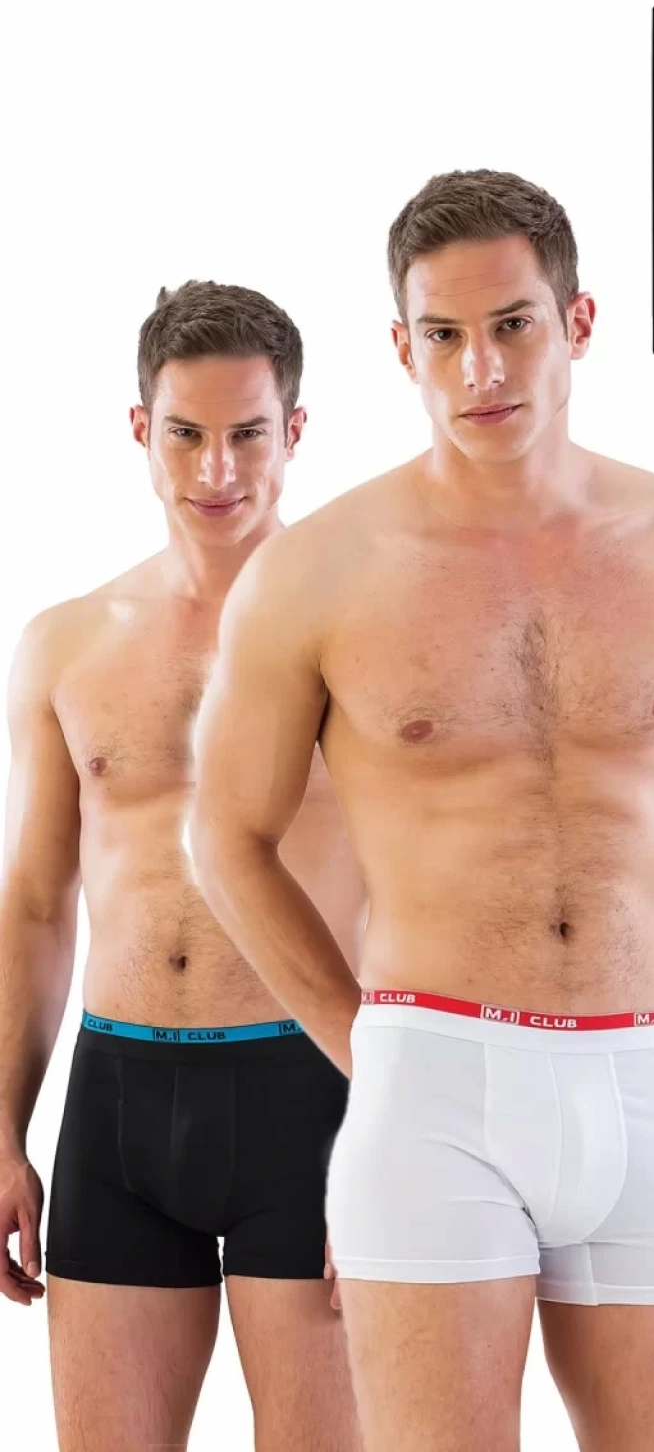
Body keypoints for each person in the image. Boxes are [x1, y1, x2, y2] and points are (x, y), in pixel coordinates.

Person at [190, 169, 654, 1452]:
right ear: (402, 348)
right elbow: (225, 834)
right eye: (443, 336)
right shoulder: (315, 573)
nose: (480, 369)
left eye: (512, 324)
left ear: (578, 322)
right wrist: (372, 1046)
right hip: (432, 1085)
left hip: (644, 1078)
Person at [0, 282, 365, 1451]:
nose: (217, 469)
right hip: (116, 1099)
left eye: (248, 433)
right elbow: (36, 901)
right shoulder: (66, 642)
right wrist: (2, 1130)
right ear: (139, 429)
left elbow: (436, 894)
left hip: (315, 1094)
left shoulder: (363, 633)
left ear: (294, 431)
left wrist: (404, 1134)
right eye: (186, 433)